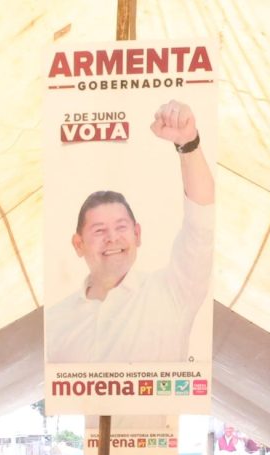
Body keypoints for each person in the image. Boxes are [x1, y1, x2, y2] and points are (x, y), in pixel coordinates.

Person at [44, 100, 215, 367]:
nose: (112, 238)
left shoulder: (173, 292)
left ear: (137, 234)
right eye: (99, 230)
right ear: (78, 244)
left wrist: (188, 143)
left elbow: (201, 225)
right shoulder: (54, 321)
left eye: (121, 227)